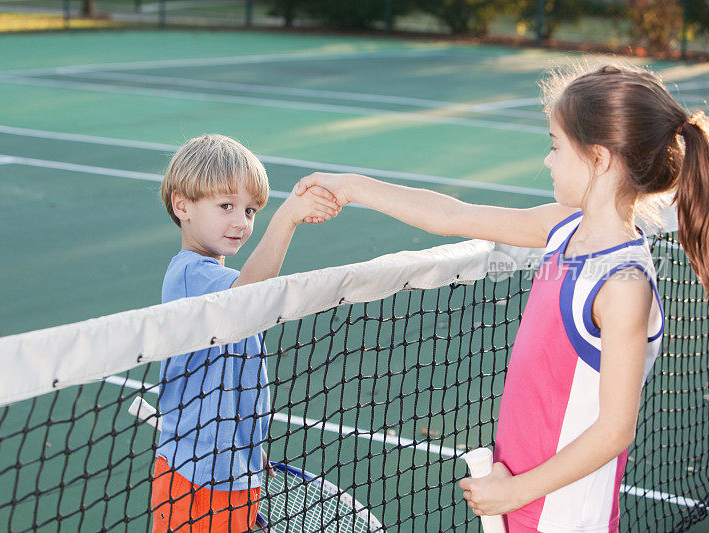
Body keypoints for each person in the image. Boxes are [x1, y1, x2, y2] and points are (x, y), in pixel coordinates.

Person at [294, 64, 709, 532]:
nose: (548, 160)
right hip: (520, 502)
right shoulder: (563, 227)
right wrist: (352, 187)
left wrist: (514, 492)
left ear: (599, 158)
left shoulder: (623, 283)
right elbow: (452, 214)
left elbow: (615, 430)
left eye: (555, 146)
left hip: (565, 517)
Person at [153, 133, 339, 533]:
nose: (241, 221)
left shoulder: (219, 280)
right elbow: (252, 294)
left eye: (252, 211)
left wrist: (249, 449)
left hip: (236, 470)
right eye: (226, 206)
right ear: (181, 205)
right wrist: (286, 217)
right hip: (196, 478)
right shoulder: (190, 275)